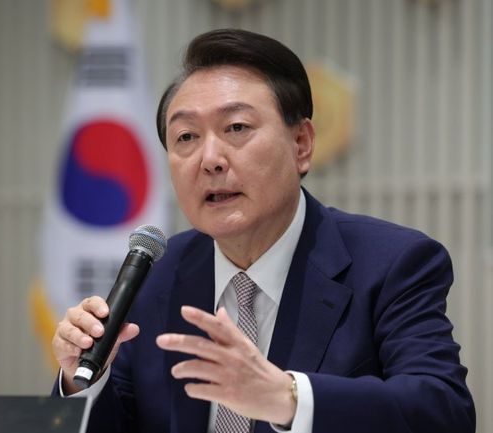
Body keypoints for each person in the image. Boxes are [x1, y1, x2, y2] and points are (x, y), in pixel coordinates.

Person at [51, 29, 475, 433]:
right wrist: (82, 380)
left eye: (236, 128)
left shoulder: (391, 263)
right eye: (186, 137)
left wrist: (288, 398)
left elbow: (442, 411)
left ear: (301, 144)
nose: (210, 159)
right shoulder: (156, 275)